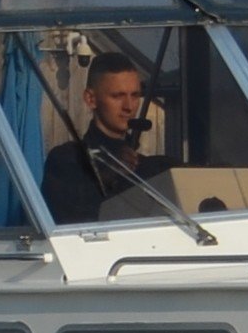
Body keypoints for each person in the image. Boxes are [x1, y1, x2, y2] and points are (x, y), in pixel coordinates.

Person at [39, 44, 176, 221]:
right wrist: (110, 176)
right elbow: (68, 221)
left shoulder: (147, 167)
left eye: (135, 95)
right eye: (117, 96)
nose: (128, 107)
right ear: (91, 99)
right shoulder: (66, 161)